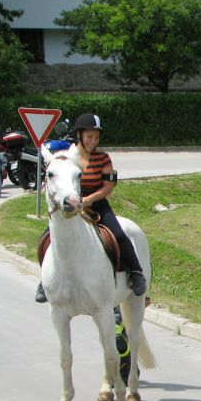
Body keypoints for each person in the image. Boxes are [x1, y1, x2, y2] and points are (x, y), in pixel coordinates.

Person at [36, 112, 147, 302]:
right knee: (47, 238)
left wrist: (88, 201)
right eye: (89, 136)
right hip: (70, 204)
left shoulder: (103, 158)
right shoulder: (67, 156)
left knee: (119, 235)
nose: (93, 141)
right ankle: (44, 281)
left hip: (96, 205)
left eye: (96, 137)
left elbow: (108, 187)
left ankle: (135, 272)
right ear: (79, 136)